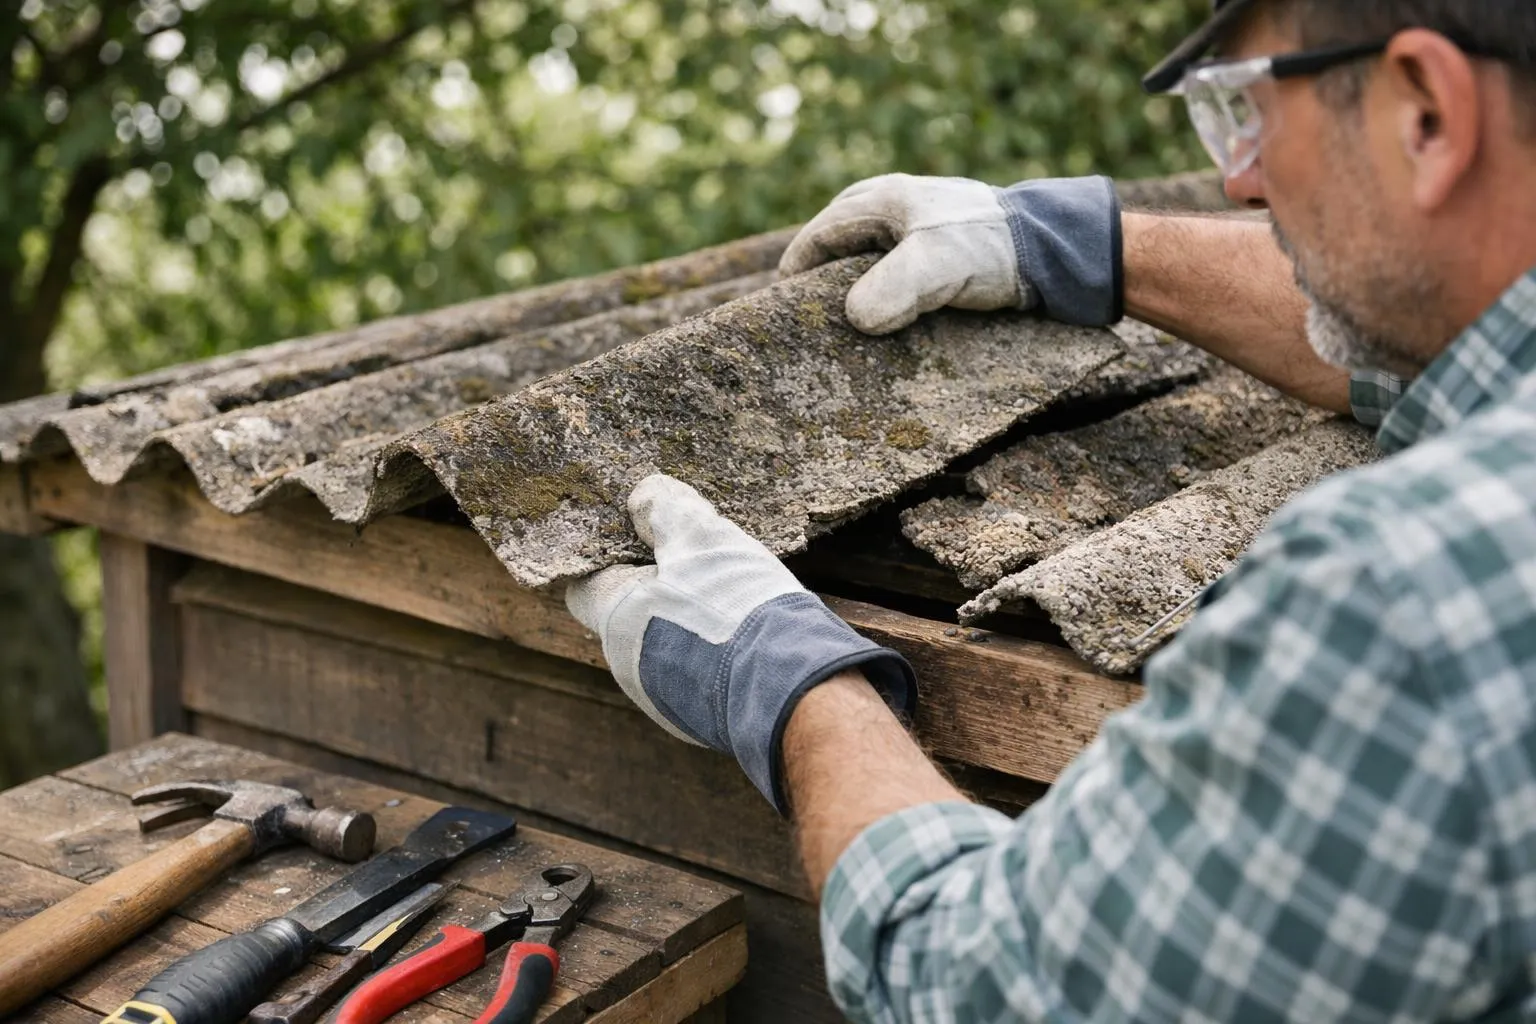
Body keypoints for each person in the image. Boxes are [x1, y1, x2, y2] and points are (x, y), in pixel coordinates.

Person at [566, 0, 1536, 1018]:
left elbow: (982, 985)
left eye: (1249, 108)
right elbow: (1434, 344)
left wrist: (783, 680)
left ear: (1426, 111)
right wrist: (1076, 244)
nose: (1241, 177)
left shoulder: (1399, 598)